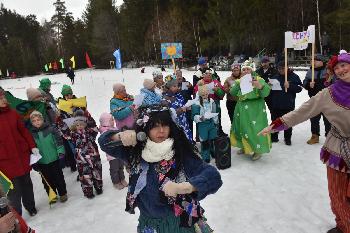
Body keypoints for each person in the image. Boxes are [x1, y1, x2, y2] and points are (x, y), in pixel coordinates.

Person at [258, 52, 350, 233]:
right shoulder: (327, 94)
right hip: (338, 148)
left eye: (344, 65)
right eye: (337, 67)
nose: (341, 70)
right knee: (337, 195)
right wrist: (276, 125)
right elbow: (302, 112)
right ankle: (344, 226)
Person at [98, 105, 222, 232]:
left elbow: (213, 177)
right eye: (155, 126)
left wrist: (187, 187)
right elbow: (103, 142)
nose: (161, 130)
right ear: (145, 128)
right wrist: (118, 136)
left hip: (181, 223)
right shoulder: (135, 151)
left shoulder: (180, 150)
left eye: (165, 125)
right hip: (150, 225)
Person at [0, 88, 37, 216]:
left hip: (22, 155)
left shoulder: (13, 113)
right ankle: (17, 215)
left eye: (4, 97)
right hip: (6, 162)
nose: (4, 100)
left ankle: (31, 207)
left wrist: (32, 146)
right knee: (13, 189)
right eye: (1, 98)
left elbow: (24, 131)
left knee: (27, 183)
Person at [229, 60, 271, 161]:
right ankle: (244, 146)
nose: (246, 71)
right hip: (242, 108)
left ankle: (258, 150)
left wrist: (260, 86)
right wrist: (237, 84)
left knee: (255, 129)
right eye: (244, 69)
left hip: (255, 109)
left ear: (252, 70)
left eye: (248, 69)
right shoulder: (239, 80)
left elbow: (266, 92)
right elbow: (232, 92)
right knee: (241, 127)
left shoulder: (258, 79)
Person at [29, 111, 68, 204]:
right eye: (34, 121)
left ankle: (62, 193)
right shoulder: (31, 134)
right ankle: (52, 194)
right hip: (42, 162)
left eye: (38, 119)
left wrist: (61, 154)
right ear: (31, 123)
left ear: (42, 119)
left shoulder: (51, 129)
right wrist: (34, 162)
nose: (36, 122)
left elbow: (58, 142)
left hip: (54, 159)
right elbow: (31, 148)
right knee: (47, 180)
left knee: (58, 177)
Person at [69, 110, 102, 199]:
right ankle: (88, 192)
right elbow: (64, 131)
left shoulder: (90, 132)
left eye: (81, 124)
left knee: (97, 171)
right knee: (85, 174)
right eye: (77, 125)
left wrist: (89, 117)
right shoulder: (73, 135)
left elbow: (95, 129)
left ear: (85, 123)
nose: (79, 126)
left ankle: (98, 187)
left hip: (93, 155)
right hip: (82, 158)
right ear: (74, 126)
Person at [269, 61, 302, 145]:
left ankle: (287, 138)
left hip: (288, 104)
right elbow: (270, 91)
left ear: (287, 67)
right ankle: (274, 137)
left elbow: (299, 88)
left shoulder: (294, 76)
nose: (281, 70)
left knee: (288, 122)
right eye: (279, 68)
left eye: (283, 68)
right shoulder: (275, 77)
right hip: (276, 104)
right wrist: (269, 87)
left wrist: (290, 86)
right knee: (275, 121)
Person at [303, 54, 331, 144]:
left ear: (322, 61)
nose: (313, 62)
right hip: (314, 99)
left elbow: (334, 83)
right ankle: (315, 136)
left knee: (328, 120)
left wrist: (325, 83)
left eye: (316, 60)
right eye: (312, 60)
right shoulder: (310, 71)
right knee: (314, 118)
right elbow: (305, 82)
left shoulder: (328, 71)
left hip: (327, 100)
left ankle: (329, 137)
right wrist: (308, 85)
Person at [99, 112, 128, 190]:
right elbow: (105, 140)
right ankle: (116, 182)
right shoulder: (104, 131)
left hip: (119, 152)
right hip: (112, 156)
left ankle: (122, 179)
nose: (113, 121)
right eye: (111, 120)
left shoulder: (114, 128)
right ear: (106, 122)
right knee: (114, 169)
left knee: (121, 167)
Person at [194, 69, 226, 137]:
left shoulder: (216, 82)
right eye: (206, 73)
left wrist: (218, 90)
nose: (208, 74)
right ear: (203, 75)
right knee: (203, 122)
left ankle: (216, 136)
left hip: (214, 105)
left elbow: (222, 94)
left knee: (216, 121)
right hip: (203, 106)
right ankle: (202, 138)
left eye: (210, 73)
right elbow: (196, 95)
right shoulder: (200, 83)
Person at [192, 85, 218, 163]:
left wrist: (215, 122)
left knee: (212, 138)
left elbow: (214, 111)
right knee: (204, 140)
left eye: (206, 94)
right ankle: (205, 155)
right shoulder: (196, 104)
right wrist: (200, 118)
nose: (205, 96)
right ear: (199, 95)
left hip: (211, 122)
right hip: (203, 124)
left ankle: (212, 151)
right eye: (203, 95)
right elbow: (194, 116)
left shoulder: (211, 101)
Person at [163, 75, 192, 141]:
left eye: (177, 85)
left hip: (184, 123)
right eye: (174, 86)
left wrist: (187, 107)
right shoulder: (166, 98)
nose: (177, 87)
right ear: (169, 87)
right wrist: (181, 110)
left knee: (187, 140)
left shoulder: (179, 95)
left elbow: (182, 105)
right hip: (175, 125)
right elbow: (168, 113)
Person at [176, 69, 194, 138]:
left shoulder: (186, 83)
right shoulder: (174, 84)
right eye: (177, 75)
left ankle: (191, 139)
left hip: (188, 106)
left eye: (180, 75)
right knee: (181, 124)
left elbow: (192, 93)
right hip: (179, 108)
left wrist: (191, 87)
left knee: (189, 122)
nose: (179, 77)